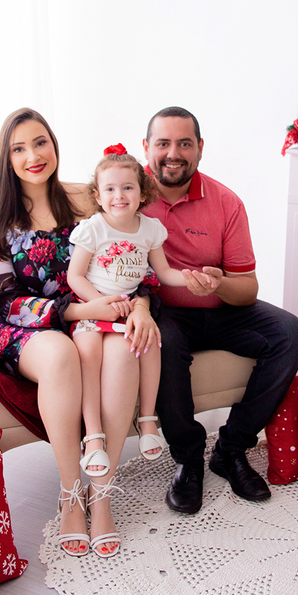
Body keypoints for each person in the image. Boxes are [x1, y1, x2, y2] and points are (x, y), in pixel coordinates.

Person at [0, 109, 160, 558]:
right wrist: (78, 309)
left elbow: (133, 260)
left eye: (41, 142)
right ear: (7, 159)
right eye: (19, 148)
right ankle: (71, 493)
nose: (33, 155)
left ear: (54, 145)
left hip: (94, 316)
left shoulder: (83, 201)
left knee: (123, 353)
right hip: (25, 326)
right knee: (59, 354)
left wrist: (142, 307)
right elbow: (5, 296)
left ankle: (103, 491)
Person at [140, 107, 298, 514]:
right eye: (163, 143)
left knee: (291, 333)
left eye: (184, 143)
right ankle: (188, 458)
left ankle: (231, 450)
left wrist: (219, 283)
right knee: (164, 343)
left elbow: (248, 289)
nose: (173, 153)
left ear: (200, 148)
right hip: (166, 313)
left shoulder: (225, 201)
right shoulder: (131, 195)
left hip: (222, 309)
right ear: (146, 148)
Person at [66, 144, 192, 475]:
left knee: (149, 343)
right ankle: (93, 437)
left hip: (129, 308)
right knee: (88, 352)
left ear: (142, 192)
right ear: (97, 194)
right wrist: (97, 304)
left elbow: (163, 273)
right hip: (92, 305)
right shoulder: (94, 228)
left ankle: (147, 421)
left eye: (127, 187)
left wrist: (190, 278)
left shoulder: (149, 229)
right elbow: (74, 276)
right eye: (109, 188)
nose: (118, 196)